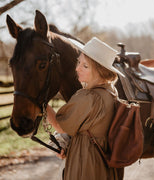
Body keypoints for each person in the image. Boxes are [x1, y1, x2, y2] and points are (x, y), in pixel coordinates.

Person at [46, 37, 124, 180]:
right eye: (78, 62)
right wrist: (69, 145)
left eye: (85, 66)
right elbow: (89, 128)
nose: (77, 68)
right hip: (102, 164)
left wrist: (42, 103)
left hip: (86, 166)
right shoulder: (110, 91)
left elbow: (60, 125)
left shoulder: (89, 97)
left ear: (100, 71)